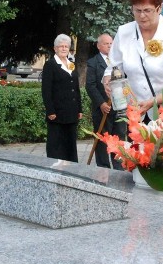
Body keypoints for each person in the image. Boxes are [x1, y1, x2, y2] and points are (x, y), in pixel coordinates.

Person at [41, 34, 83, 162]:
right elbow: (46, 90)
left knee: (70, 142)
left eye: (66, 46)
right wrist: (50, 110)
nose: (64, 49)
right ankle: (55, 167)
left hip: (71, 111)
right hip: (57, 113)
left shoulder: (72, 65)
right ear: (55, 48)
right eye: (61, 46)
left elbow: (76, 88)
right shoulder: (50, 65)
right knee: (56, 143)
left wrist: (79, 109)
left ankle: (71, 168)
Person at [85, 33, 123, 169]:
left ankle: (119, 166)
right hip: (102, 108)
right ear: (98, 45)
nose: (109, 46)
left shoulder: (118, 62)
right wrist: (101, 103)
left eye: (111, 43)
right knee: (102, 139)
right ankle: (103, 167)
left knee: (118, 138)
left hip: (119, 107)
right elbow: (90, 85)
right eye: (106, 43)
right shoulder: (93, 63)